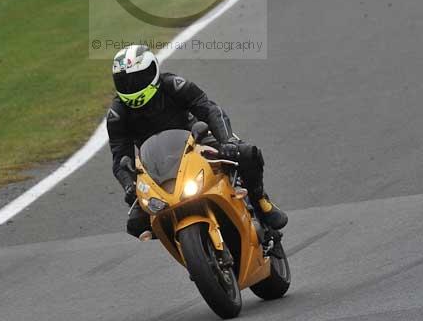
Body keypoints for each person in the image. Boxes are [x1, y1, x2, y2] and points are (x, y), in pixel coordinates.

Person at [107, 44, 288, 239]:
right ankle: (188, 249)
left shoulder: (173, 85)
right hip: (155, 165)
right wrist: (128, 184)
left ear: (153, 70)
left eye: (138, 78)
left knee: (245, 153)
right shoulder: (117, 114)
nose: (132, 86)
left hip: (197, 141)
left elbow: (210, 109)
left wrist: (226, 140)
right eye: (125, 82)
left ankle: (261, 201)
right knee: (136, 223)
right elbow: (120, 158)